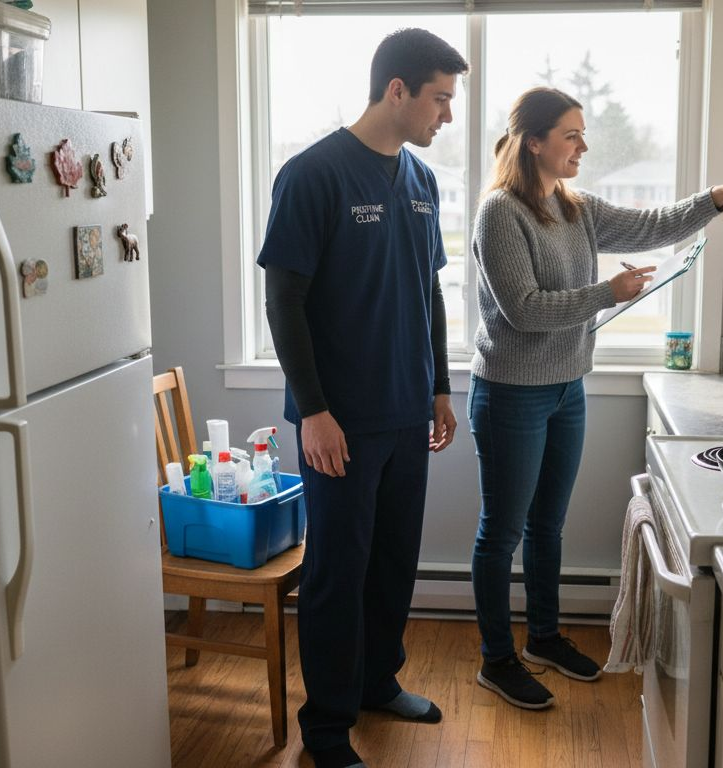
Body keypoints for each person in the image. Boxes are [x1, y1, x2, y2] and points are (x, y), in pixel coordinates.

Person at [467, 86, 723, 710]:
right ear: (535, 142)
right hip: (510, 394)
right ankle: (497, 660)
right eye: (572, 135)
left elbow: (650, 225)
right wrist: (605, 294)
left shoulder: (575, 207)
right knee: (501, 534)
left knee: (547, 525)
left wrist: (718, 197)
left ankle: (544, 638)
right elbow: (524, 311)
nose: (583, 145)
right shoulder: (500, 212)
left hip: (566, 388)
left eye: (583, 134)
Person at [256, 28, 468, 768]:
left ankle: (378, 682)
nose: (448, 114)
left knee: (393, 563)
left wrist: (439, 386)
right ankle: (325, 726)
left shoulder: (422, 180)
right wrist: (313, 411)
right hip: (339, 421)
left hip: (408, 411)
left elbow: (429, 292)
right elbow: (283, 301)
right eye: (440, 98)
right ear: (397, 90)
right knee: (337, 576)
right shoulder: (312, 174)